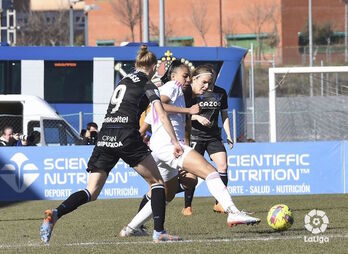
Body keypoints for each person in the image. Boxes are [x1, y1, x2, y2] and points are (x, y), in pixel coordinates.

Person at [40, 45, 184, 244]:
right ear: (152, 67)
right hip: (126, 135)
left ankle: (56, 213)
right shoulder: (147, 84)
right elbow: (160, 113)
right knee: (157, 183)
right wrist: (175, 141)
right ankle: (159, 232)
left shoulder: (122, 81)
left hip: (106, 134)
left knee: (91, 191)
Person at [119, 62, 260, 237]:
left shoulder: (184, 95)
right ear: (179, 77)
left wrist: (183, 139)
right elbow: (160, 106)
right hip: (168, 146)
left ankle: (131, 229)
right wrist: (188, 111)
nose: (206, 86)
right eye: (187, 77)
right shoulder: (174, 87)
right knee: (210, 171)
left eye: (210, 83)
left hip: (163, 147)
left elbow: (181, 126)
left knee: (167, 194)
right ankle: (233, 211)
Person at [181, 65, 235, 216]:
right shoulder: (192, 92)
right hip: (195, 135)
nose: (207, 85)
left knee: (223, 165)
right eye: (205, 81)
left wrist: (229, 134)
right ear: (197, 79)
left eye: (210, 81)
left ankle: (220, 203)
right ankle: (187, 206)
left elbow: (224, 115)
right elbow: (183, 114)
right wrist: (196, 117)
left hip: (213, 136)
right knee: (193, 172)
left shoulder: (220, 93)